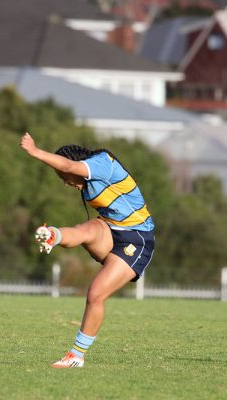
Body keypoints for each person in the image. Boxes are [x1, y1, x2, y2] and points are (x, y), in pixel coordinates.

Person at [20, 132, 155, 368]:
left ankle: (76, 356)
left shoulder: (102, 162)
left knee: (96, 293)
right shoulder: (87, 185)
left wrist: (35, 151)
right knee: (85, 229)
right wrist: (55, 236)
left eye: (64, 176)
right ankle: (54, 234)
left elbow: (69, 165)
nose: (66, 181)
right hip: (112, 232)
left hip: (138, 238)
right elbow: (87, 232)